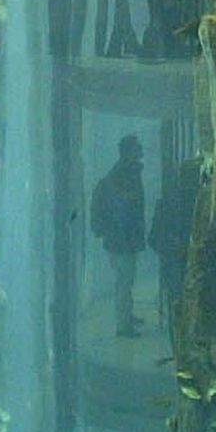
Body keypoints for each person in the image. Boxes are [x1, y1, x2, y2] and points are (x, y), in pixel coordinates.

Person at [90, 134, 146, 337]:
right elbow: (126, 207)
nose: (141, 153)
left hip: (121, 238)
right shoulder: (123, 176)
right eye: (137, 149)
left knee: (126, 279)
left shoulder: (124, 174)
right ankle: (123, 325)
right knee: (124, 280)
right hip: (122, 238)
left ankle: (127, 316)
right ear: (128, 152)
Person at [148, 156, 200, 336]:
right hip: (182, 265)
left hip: (180, 265)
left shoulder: (168, 203)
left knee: (179, 308)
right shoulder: (200, 203)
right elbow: (155, 238)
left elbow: (154, 239)